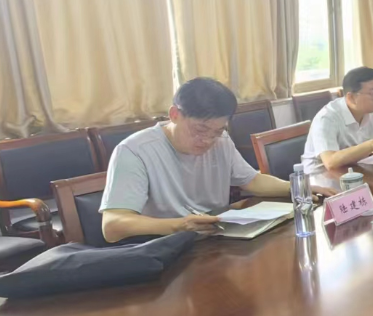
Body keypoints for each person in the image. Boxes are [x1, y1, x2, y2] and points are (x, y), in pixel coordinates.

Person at [100, 78, 332, 243]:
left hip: (217, 240)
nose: (207, 140)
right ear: (174, 115)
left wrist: (297, 188)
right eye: (200, 130)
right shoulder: (135, 151)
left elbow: (252, 181)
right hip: (167, 247)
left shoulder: (221, 140)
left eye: (217, 131)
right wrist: (178, 225)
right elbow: (112, 226)